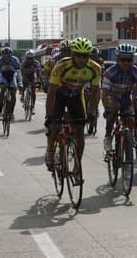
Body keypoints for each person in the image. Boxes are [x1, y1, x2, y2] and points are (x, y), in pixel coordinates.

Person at [44, 37, 101, 181]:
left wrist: (92, 111)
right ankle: (50, 151)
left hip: (76, 97)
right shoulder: (61, 65)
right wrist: (49, 116)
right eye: (78, 55)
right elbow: (51, 92)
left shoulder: (95, 68)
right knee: (55, 126)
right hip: (59, 96)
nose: (82, 59)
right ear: (72, 54)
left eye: (85, 55)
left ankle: (76, 167)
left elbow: (95, 92)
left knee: (80, 134)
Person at [102, 43, 137, 151]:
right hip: (112, 98)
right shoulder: (110, 72)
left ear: (133, 60)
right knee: (113, 108)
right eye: (123, 59)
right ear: (117, 59)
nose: (126, 63)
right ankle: (108, 136)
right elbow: (104, 93)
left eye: (129, 60)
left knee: (131, 119)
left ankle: (129, 140)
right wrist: (107, 108)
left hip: (126, 99)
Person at [0, 47, 23, 121]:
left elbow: (19, 73)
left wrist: (20, 83)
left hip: (12, 75)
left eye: (8, 56)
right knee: (3, 89)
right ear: (2, 55)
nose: (6, 58)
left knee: (13, 93)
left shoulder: (15, 60)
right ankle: (0, 112)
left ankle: (11, 113)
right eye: (4, 56)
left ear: (11, 55)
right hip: (3, 75)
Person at [20, 50, 41, 114]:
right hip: (25, 76)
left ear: (33, 58)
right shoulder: (24, 63)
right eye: (28, 58)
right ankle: (23, 95)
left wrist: (38, 80)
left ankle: (33, 107)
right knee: (24, 85)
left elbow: (38, 71)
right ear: (26, 58)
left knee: (33, 90)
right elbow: (22, 71)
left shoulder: (36, 62)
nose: (29, 60)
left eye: (31, 58)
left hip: (32, 76)